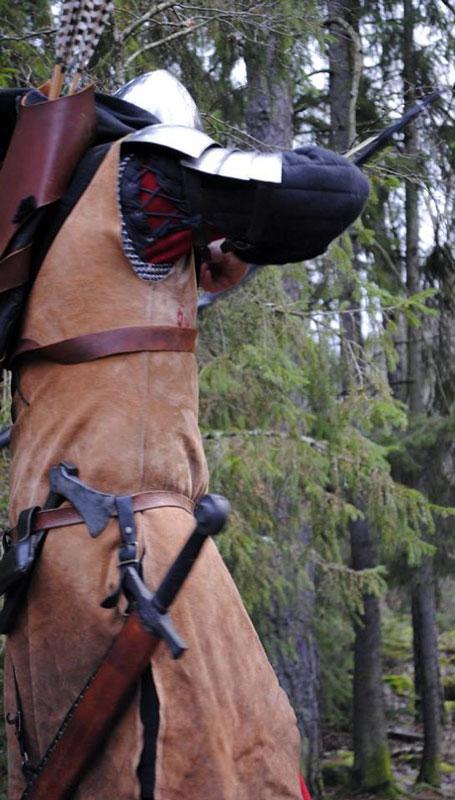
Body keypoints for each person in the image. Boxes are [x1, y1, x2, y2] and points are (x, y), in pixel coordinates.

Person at [3, 70, 368, 800]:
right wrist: (226, 214)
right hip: (131, 559)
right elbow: (329, 191)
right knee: (199, 769)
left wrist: (221, 252)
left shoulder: (38, 242)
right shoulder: (144, 175)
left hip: (52, 576)